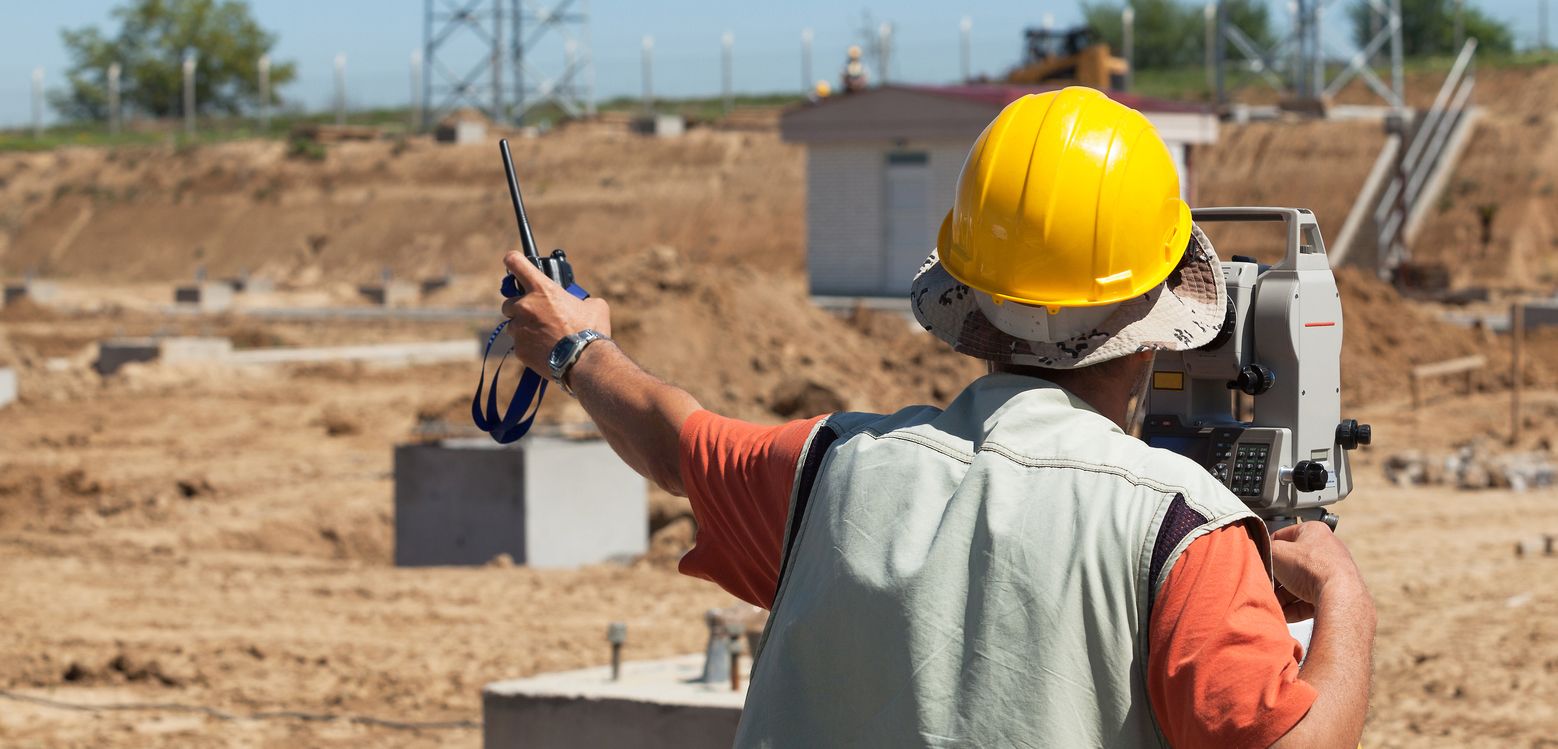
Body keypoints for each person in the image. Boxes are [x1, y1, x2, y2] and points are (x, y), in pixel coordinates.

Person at [500, 87, 1375, 748]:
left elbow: (669, 435)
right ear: (1155, 335)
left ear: (975, 309)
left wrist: (576, 348)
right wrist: (1343, 599)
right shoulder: (1181, 531)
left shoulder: (825, 470)